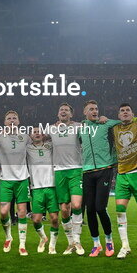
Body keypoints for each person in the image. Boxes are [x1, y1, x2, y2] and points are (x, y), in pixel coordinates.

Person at [0, 110, 31, 255]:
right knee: (4, 212)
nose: (12, 120)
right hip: (5, 180)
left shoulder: (25, 137)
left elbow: (40, 141)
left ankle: (22, 244)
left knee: (22, 213)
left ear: (18, 122)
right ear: (5, 122)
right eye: (9, 118)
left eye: (14, 118)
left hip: (22, 179)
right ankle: (8, 237)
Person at [79, 101, 120, 257]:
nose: (95, 111)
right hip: (87, 171)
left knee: (100, 208)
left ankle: (109, 240)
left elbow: (123, 121)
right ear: (85, 112)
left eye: (96, 109)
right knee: (90, 210)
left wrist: (106, 118)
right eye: (91, 109)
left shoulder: (106, 123)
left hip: (104, 170)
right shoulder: (80, 127)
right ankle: (96, 244)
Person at [111, 104, 137, 259]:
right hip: (122, 175)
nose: (125, 112)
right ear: (118, 115)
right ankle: (125, 246)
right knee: (119, 211)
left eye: (127, 110)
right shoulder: (114, 128)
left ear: (133, 113)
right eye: (122, 111)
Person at [51, 104, 85, 254]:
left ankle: (77, 240)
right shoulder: (51, 128)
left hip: (76, 170)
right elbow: (36, 136)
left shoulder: (79, 126)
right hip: (59, 172)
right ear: (58, 114)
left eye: (66, 110)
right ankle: (71, 242)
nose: (63, 111)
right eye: (61, 110)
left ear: (71, 114)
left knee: (76, 205)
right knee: (64, 210)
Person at [27, 127, 60, 254]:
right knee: (36, 220)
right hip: (36, 189)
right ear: (30, 136)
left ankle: (52, 245)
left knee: (55, 219)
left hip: (51, 187)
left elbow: (58, 138)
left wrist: (50, 134)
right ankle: (43, 238)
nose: (37, 133)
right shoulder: (27, 148)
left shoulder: (50, 146)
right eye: (34, 132)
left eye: (39, 131)